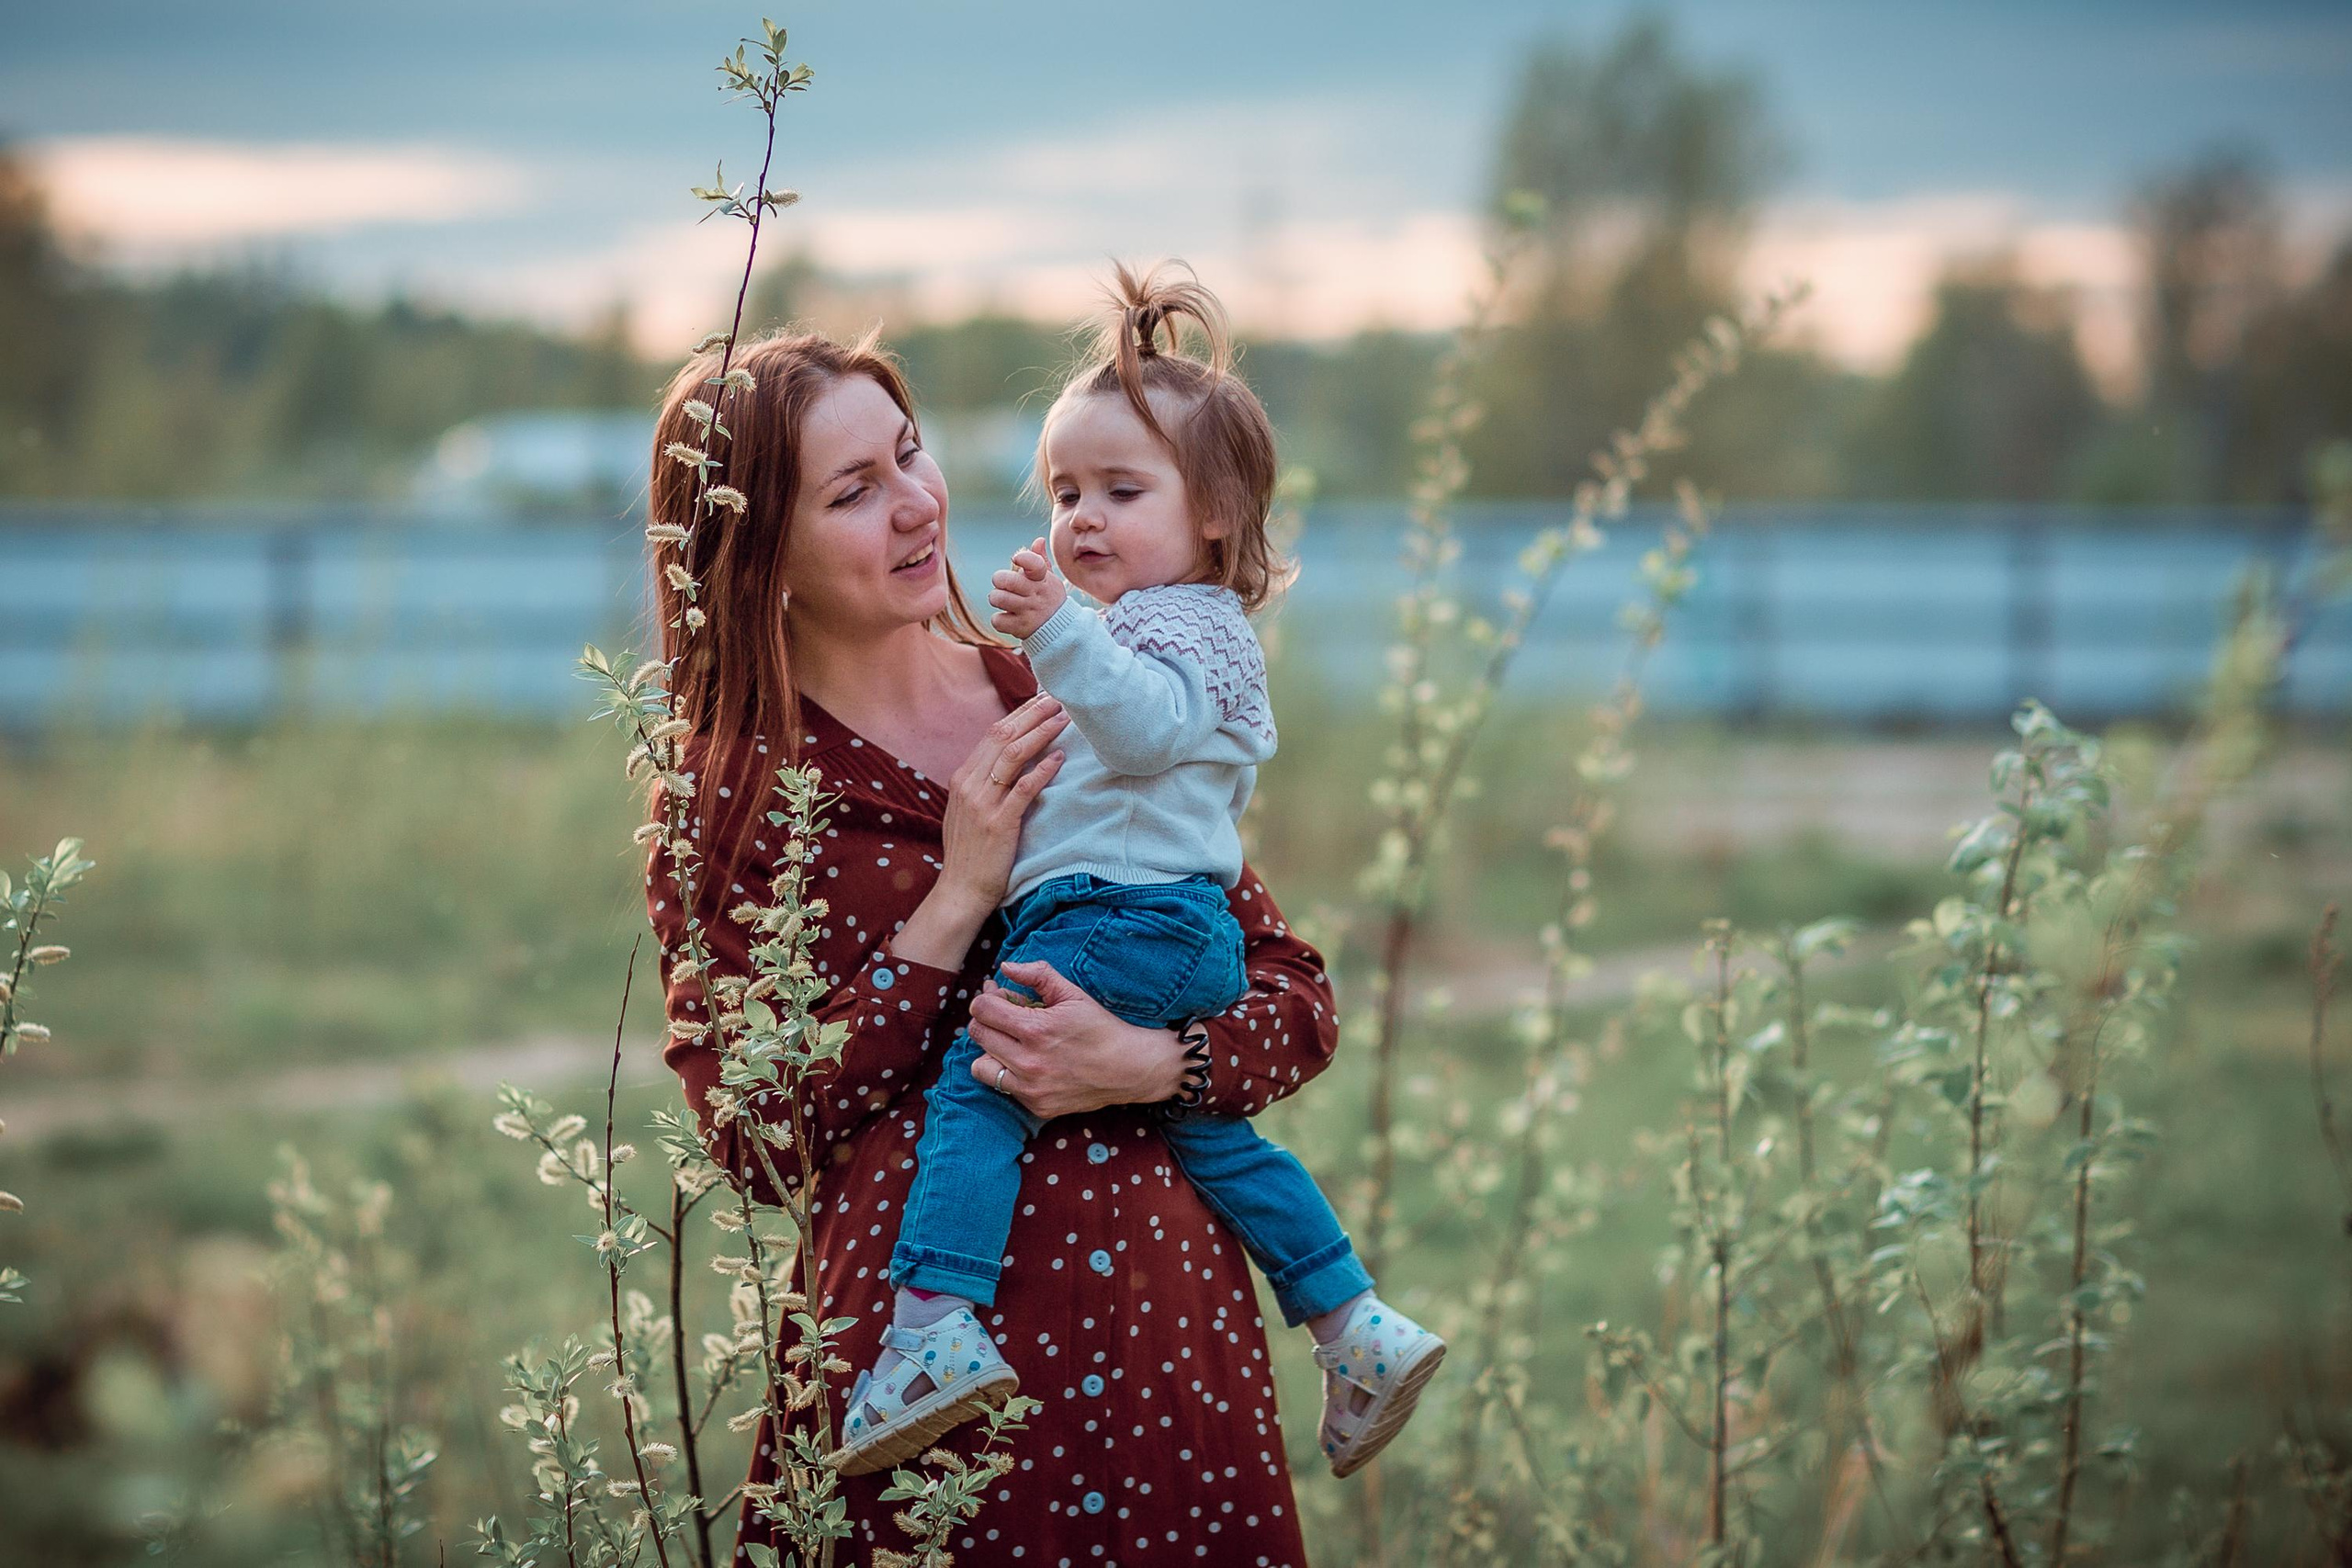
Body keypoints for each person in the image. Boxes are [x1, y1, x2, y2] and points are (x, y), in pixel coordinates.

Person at [646, 321, 1337, 1566]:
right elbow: (758, 1135)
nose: (918, 507)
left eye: (913, 457)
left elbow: (1293, 994)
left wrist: (1153, 1065)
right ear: (758, 553)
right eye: (856, 492)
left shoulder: (1067, 690)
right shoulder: (734, 800)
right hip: (928, 1407)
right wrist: (957, 896)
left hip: (1164, 1344)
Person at [832, 263, 1442, 1483]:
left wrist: (1057, 632)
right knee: (1222, 1145)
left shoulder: (1182, 623)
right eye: (1063, 491)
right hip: (1170, 934)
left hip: (1116, 922)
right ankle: (1351, 1323)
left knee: (983, 1082)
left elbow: (1150, 726)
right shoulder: (1149, 624)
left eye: (1121, 489)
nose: (1081, 518)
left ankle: (930, 1332)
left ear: (1214, 513)